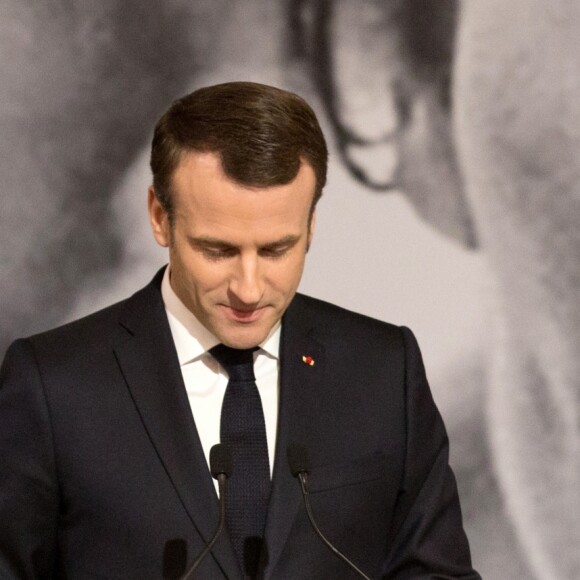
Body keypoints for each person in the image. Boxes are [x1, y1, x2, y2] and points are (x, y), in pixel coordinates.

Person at [0, 82, 479, 579]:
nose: (249, 290)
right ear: (160, 218)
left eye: (276, 250)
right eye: (218, 250)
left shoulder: (383, 369)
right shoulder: (51, 386)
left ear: (311, 226)